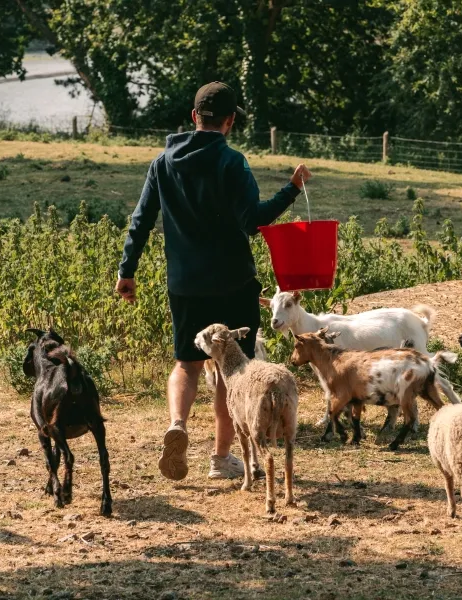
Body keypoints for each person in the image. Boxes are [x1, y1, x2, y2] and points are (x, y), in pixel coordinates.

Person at [116, 81, 311, 481]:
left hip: (184, 284)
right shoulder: (232, 162)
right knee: (232, 372)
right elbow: (254, 221)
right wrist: (292, 189)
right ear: (230, 122)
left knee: (186, 365)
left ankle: (178, 424)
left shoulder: (162, 163)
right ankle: (222, 458)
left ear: (194, 117)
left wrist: (127, 270)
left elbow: (141, 219)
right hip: (232, 283)